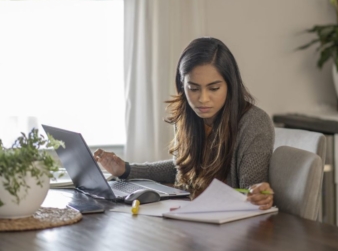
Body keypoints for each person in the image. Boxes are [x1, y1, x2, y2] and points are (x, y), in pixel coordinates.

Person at [94, 37, 274, 210]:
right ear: (182, 85)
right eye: (193, 88)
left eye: (214, 88)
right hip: (186, 214)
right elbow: (180, 167)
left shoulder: (254, 123)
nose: (202, 99)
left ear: (230, 85)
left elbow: (251, 192)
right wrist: (125, 169)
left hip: (226, 225)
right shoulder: (187, 116)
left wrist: (259, 193)